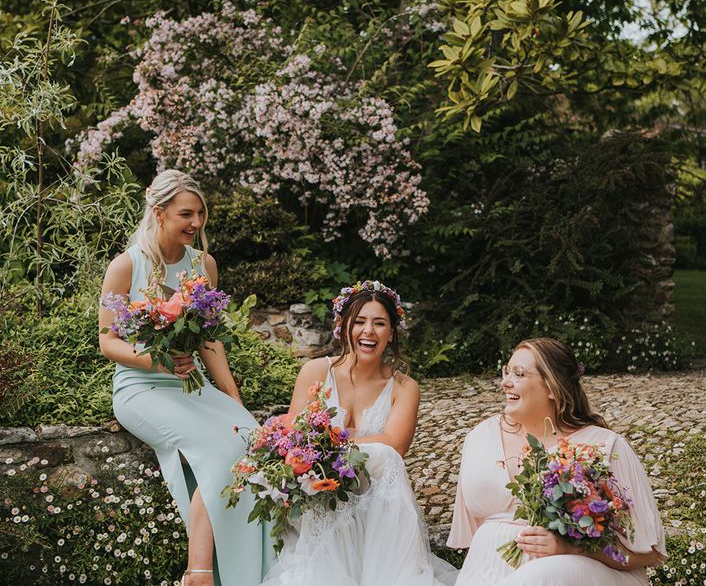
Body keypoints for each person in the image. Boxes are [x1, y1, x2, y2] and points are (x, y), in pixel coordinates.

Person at [98, 169, 273, 586]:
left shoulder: (203, 265)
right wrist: (155, 361)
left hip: (193, 383)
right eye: (186, 214)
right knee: (217, 450)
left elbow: (209, 341)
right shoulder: (125, 266)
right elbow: (108, 342)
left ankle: (254, 569)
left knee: (250, 437)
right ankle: (200, 573)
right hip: (140, 388)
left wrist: (232, 395)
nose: (196, 223)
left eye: (200, 214)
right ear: (159, 213)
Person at [260, 281, 457, 586]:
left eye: (379, 323)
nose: (369, 331)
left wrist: (328, 445)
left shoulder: (404, 388)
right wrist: (323, 453)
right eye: (360, 321)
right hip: (320, 496)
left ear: (392, 332)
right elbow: (295, 440)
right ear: (343, 326)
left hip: (376, 503)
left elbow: (394, 445)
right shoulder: (315, 371)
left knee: (386, 456)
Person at [447, 338, 666, 586]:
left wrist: (571, 549)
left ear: (552, 387)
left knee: (541, 577)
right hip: (484, 571)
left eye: (519, 374)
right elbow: (473, 535)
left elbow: (649, 553)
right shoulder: (480, 438)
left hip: (571, 573)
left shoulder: (604, 445)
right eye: (506, 371)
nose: (505, 382)